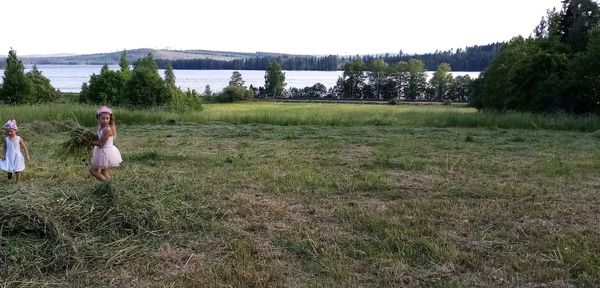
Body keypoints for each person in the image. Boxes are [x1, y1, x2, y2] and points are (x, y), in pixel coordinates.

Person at [88, 106, 122, 181]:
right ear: (98, 119)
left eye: (107, 118)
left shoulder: (108, 129)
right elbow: (98, 137)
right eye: (103, 118)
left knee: (92, 170)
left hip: (106, 152)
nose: (105, 120)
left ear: (110, 119)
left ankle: (106, 184)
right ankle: (111, 185)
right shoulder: (100, 127)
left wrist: (89, 143)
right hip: (101, 151)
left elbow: (101, 143)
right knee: (104, 173)